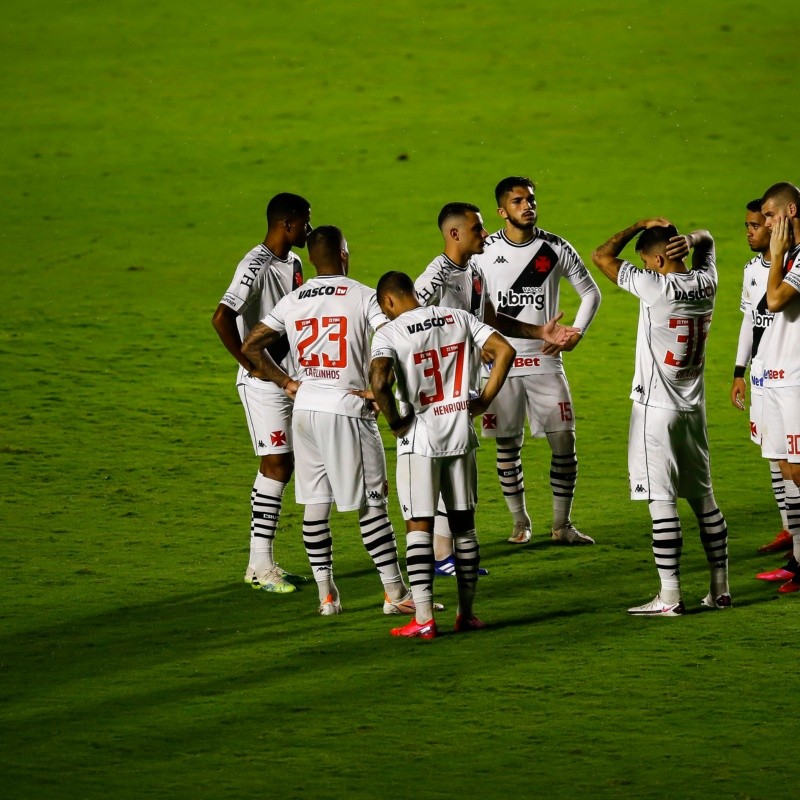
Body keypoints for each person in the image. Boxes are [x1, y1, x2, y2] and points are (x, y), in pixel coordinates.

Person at [241, 226, 414, 615]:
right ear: (343, 253)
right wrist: (378, 390)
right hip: (347, 411)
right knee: (373, 505)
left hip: (304, 410)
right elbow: (393, 338)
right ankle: (395, 594)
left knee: (315, 505)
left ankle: (327, 596)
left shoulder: (293, 300)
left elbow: (251, 344)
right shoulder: (363, 295)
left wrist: (286, 381)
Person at [414, 202, 579, 575]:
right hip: (440, 390)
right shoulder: (436, 276)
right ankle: (440, 557)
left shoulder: (473, 272)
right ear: (454, 234)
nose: (485, 235)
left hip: (464, 386)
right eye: (477, 229)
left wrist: (539, 332)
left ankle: (447, 555)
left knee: (457, 469)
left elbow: (490, 319)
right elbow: (403, 316)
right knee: (443, 469)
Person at [591, 219, 730, 615]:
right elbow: (709, 238)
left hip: (655, 410)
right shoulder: (708, 279)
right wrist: (693, 238)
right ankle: (720, 589)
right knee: (704, 499)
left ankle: (669, 596)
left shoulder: (656, 287)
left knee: (661, 500)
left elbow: (602, 255)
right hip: (693, 409)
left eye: (646, 261)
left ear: (654, 259)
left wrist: (636, 225)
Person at [369, 271, 516, 639]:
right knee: (464, 527)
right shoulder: (460, 318)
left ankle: (422, 618)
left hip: (419, 440)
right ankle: (466, 614)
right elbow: (505, 351)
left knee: (419, 526)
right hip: (461, 433)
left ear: (388, 301)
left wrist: (397, 422)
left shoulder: (390, 332)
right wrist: (482, 400)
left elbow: (378, 381)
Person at [474, 177, 601, 546]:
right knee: (507, 445)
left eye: (530, 200)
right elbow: (468, 300)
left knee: (565, 442)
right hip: (501, 362)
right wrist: (478, 338)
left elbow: (590, 293)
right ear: (502, 211)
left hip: (545, 360)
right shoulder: (484, 250)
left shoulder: (554, 247)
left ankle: (562, 525)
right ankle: (519, 522)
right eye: (517, 202)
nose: (527, 206)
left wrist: (577, 331)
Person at [211, 192, 311, 593]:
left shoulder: (296, 262)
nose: (309, 228)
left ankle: (263, 562)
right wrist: (250, 364)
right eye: (305, 221)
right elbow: (222, 317)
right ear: (287, 224)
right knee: (276, 465)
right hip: (262, 384)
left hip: (288, 378)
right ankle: (258, 565)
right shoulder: (255, 264)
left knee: (285, 465)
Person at [730, 200, 790, 553]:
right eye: (748, 225)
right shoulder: (752, 270)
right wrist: (740, 371)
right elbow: (750, 322)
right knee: (772, 452)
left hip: (788, 376)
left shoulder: (792, 267)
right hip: (761, 377)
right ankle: (787, 527)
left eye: (756, 225)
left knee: (791, 458)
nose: (750, 232)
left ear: (773, 226)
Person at [754, 182, 800, 594]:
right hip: (780, 376)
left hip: (799, 379)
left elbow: (774, 301)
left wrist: (776, 258)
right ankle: (798, 560)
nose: (766, 223)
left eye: (770, 215)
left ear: (789, 212)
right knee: (788, 469)